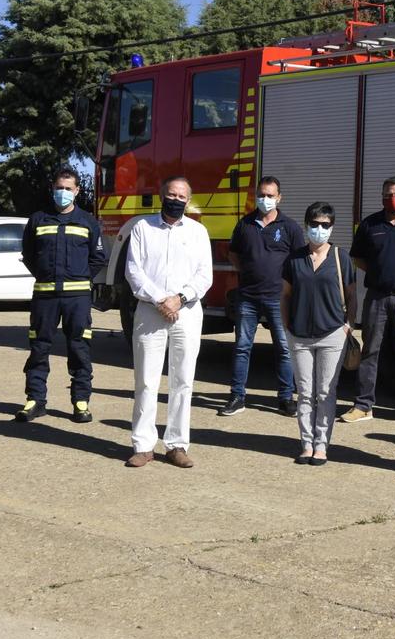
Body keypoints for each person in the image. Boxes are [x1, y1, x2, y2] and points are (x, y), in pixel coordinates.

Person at [124, 177, 213, 468]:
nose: (176, 199)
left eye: (182, 196)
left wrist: (179, 298)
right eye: (171, 194)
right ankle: (143, 445)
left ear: (189, 200)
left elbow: (204, 275)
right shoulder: (142, 228)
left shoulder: (198, 232)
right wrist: (161, 299)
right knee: (146, 381)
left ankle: (176, 445)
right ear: (163, 195)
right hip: (151, 312)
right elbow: (134, 272)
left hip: (186, 312)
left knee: (183, 381)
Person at [15, 167, 108, 424]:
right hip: (45, 297)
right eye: (59, 188)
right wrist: (45, 275)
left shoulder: (88, 222)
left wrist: (79, 279)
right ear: (52, 189)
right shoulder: (38, 220)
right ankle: (35, 400)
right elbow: (30, 256)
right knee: (38, 348)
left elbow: (98, 258)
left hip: (77, 299)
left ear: (77, 191)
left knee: (79, 348)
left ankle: (80, 401)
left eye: (68, 188)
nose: (63, 192)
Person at [343, 177, 395, 425]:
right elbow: (358, 258)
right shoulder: (370, 224)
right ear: (381, 196)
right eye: (388, 194)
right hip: (377, 297)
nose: (393, 198)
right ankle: (363, 404)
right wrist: (381, 273)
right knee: (370, 350)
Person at [281, 202, 357, 465]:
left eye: (325, 225)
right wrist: (286, 326)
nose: (319, 229)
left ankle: (322, 445)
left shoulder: (341, 257)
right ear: (306, 226)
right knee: (304, 392)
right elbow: (285, 296)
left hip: (332, 333)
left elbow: (351, 295)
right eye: (314, 224)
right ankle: (306, 444)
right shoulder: (294, 259)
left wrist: (350, 324)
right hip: (299, 335)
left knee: (325, 391)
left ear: (332, 227)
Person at [224, 176, 305, 417]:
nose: (265, 199)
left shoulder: (289, 227)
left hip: (278, 298)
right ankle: (237, 396)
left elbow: (299, 261)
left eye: (270, 195)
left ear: (279, 198)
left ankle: (285, 398)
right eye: (261, 195)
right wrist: (249, 272)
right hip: (248, 296)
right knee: (241, 347)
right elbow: (234, 255)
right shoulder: (245, 224)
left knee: (283, 348)